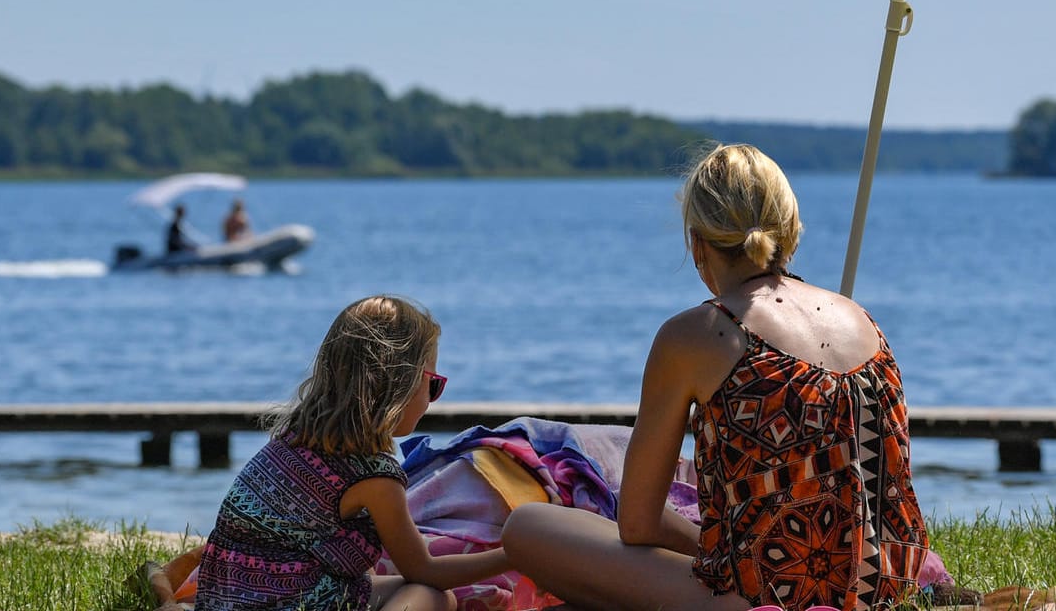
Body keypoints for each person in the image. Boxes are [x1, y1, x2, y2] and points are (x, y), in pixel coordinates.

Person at [500, 144, 929, 611]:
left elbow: (639, 524)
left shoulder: (698, 334)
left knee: (528, 529)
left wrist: (707, 545)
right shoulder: (863, 322)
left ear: (698, 245)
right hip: (889, 580)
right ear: (791, 234)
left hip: (772, 592)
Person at [192, 294, 507, 611]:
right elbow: (423, 570)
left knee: (399, 588)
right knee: (433, 595)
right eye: (434, 384)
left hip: (227, 599)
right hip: (287, 602)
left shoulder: (292, 440)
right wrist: (513, 555)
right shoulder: (375, 476)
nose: (431, 400)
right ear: (400, 383)